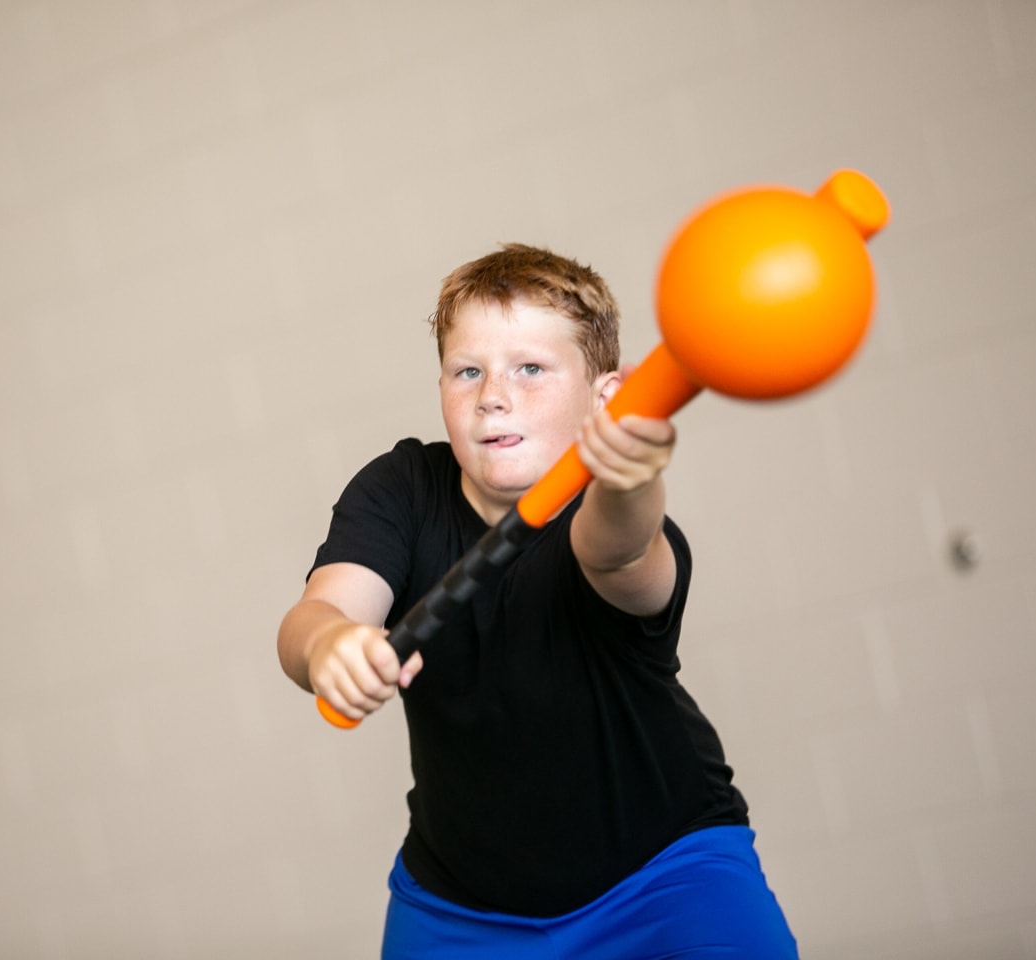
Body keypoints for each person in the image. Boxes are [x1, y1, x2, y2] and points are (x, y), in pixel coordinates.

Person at [277, 244, 797, 958]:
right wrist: (328, 646)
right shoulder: (402, 489)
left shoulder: (616, 519)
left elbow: (617, 547)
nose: (493, 393)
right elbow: (317, 614)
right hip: (461, 907)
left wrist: (628, 476)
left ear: (605, 397)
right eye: (468, 371)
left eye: (531, 368)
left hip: (667, 879)